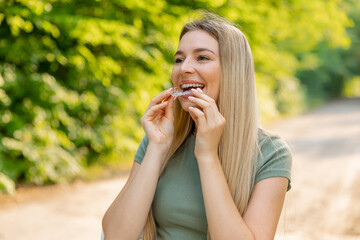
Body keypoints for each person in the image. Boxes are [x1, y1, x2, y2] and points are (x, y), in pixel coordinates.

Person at [102, 12, 292, 240]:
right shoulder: (160, 138)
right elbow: (116, 235)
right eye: (179, 59)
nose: (184, 69)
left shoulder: (271, 152)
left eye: (202, 58)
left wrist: (208, 154)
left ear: (233, 71)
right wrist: (158, 146)